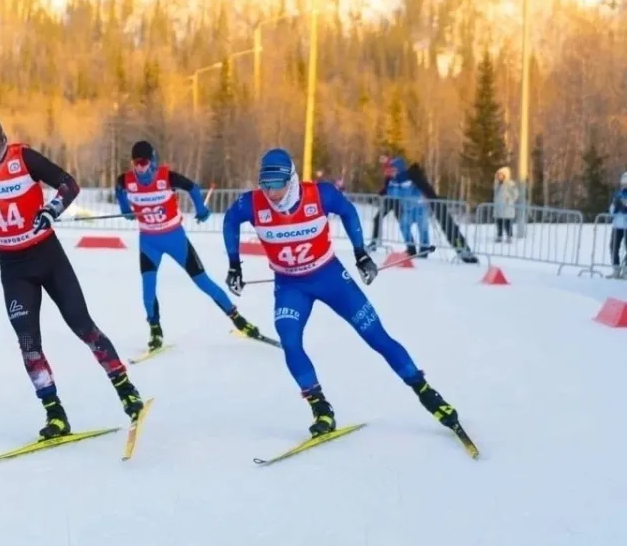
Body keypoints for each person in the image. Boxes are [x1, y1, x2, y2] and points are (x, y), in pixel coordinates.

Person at [0, 108, 145, 439]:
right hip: (13, 267)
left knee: (83, 326)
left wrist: (50, 211)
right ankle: (55, 414)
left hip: (47, 257)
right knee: (28, 343)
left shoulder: (22, 158)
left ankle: (126, 391)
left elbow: (69, 184)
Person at [221, 147, 464, 438]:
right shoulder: (251, 203)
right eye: (266, 185)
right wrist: (234, 265)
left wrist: (361, 255)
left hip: (330, 277)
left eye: (277, 185)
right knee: (290, 341)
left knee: (376, 335)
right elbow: (229, 221)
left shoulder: (319, 194)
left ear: (291, 179)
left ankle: (426, 393)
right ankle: (320, 408)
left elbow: (348, 211)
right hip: (290, 285)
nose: (271, 192)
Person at [113, 140, 270, 351]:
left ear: (152, 162)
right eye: (135, 163)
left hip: (174, 238)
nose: (139, 168)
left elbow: (193, 188)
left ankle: (239, 320)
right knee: (147, 289)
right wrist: (125, 210)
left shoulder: (167, 177)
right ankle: (155, 331)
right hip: (149, 242)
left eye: (143, 163)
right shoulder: (125, 180)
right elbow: (119, 191)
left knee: (202, 281)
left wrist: (201, 210)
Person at [387, 156, 431, 256]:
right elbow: (392, 194)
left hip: (419, 207)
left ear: (399, 167)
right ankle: (411, 248)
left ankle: (424, 249)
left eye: (394, 168)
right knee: (404, 226)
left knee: (423, 228)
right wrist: (397, 188)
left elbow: (410, 191)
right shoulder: (394, 180)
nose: (392, 171)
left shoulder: (410, 177)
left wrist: (398, 190)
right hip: (408, 208)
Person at [493, 166, 519, 243]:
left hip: (507, 207)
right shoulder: (496, 184)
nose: (498, 176)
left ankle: (509, 236)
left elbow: (516, 194)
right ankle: (499, 235)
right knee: (499, 222)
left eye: (500, 175)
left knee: (508, 222)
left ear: (505, 175)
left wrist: (510, 201)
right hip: (498, 207)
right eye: (498, 175)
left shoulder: (510, 184)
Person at [611, 172, 627, 278]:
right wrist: (614, 210)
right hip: (618, 225)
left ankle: (625, 268)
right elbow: (612, 209)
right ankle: (616, 268)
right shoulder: (618, 194)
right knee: (613, 246)